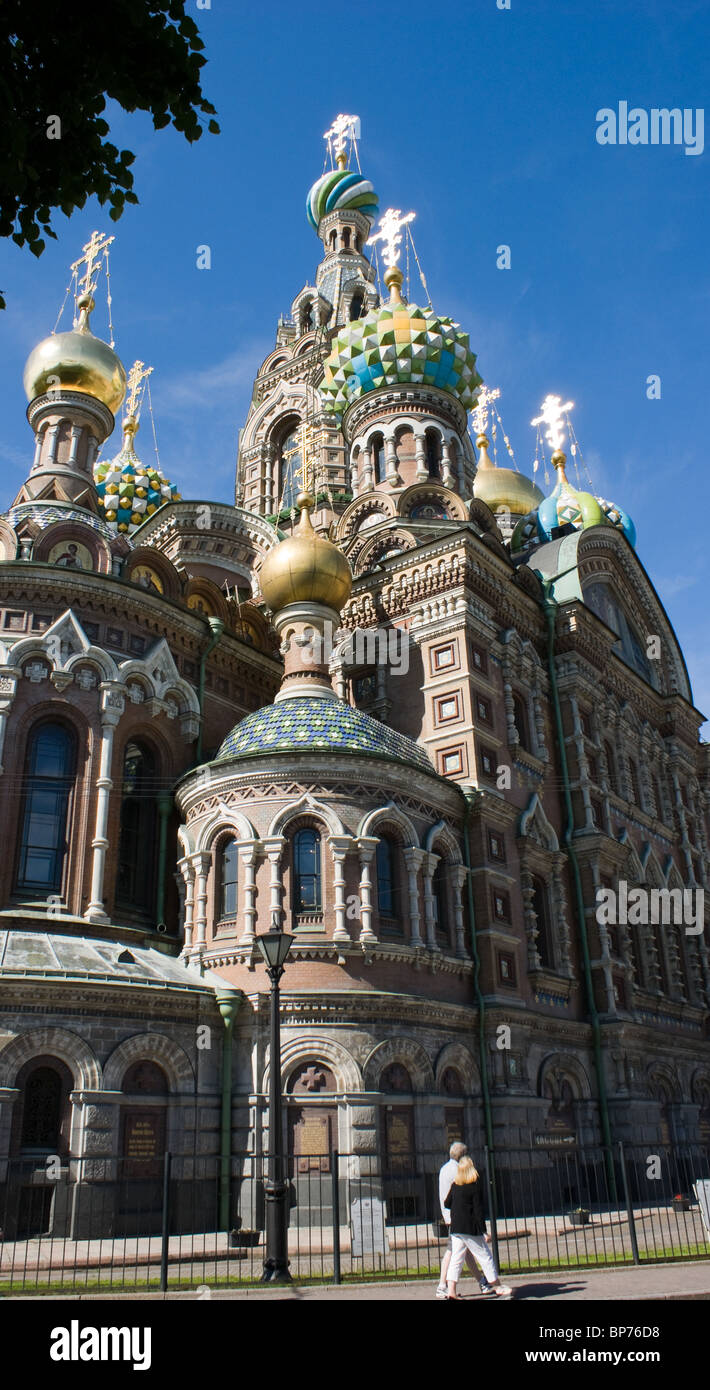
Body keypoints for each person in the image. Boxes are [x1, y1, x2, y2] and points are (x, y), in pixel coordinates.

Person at [444, 1155, 513, 1300]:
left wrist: (458, 1206)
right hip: (471, 1228)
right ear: (471, 1169)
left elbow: (446, 1203)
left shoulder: (455, 1185)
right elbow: (478, 1210)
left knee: (456, 1259)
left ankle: (451, 1291)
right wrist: (484, 1231)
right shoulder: (474, 1186)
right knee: (484, 1256)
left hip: (456, 1228)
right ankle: (498, 1286)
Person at [436, 1142, 493, 1298]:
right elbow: (462, 1195)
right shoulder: (457, 1170)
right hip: (458, 1218)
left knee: (464, 1253)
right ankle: (442, 1286)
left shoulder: (444, 1168)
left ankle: (482, 1282)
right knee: (452, 1253)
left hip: (451, 1216)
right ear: (463, 1157)